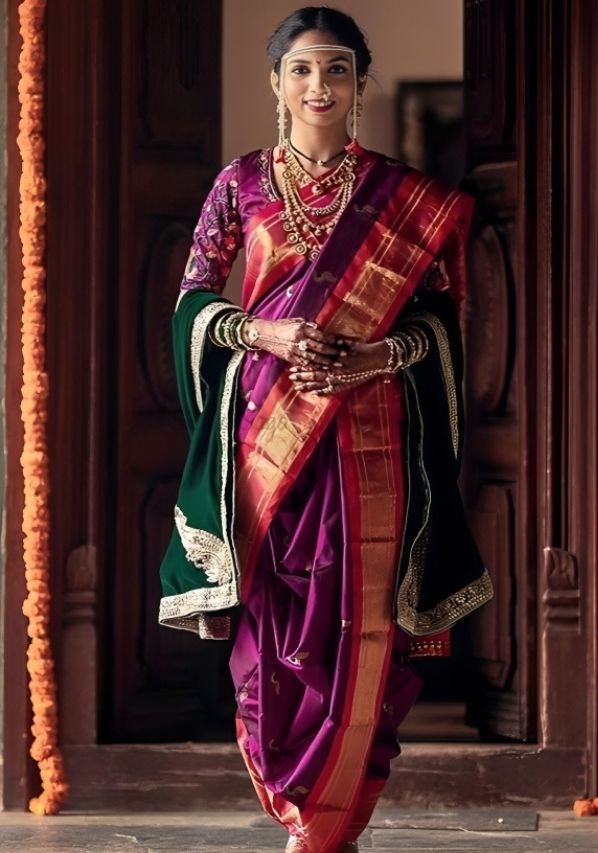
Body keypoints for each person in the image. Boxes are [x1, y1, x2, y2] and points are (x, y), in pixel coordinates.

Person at [158, 7, 493, 852]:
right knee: (275, 622)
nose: (319, 86)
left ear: (360, 83)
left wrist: (376, 360)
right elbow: (193, 302)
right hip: (267, 434)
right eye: (302, 70)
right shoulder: (240, 184)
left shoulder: (401, 197)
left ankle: (334, 822)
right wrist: (263, 332)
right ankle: (291, 796)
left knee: (362, 615)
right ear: (276, 83)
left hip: (371, 433)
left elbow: (443, 329)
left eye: (336, 70)